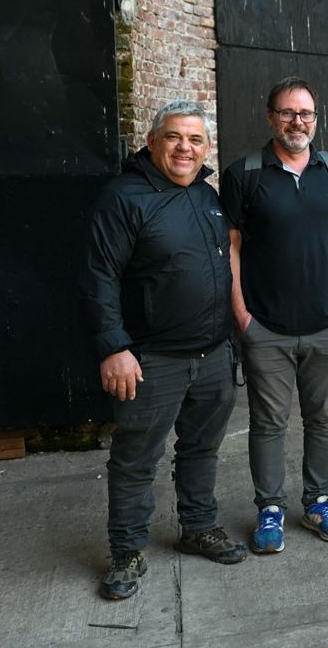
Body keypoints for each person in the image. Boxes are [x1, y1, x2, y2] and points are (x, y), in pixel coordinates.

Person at [79, 100, 246, 600]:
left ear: (206, 148)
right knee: (135, 460)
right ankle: (127, 552)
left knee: (202, 449)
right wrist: (114, 347)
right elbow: (98, 276)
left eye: (195, 140)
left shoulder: (207, 195)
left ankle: (197, 526)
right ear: (152, 142)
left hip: (213, 354)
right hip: (150, 359)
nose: (184, 148)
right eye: (174, 137)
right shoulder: (123, 197)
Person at [220, 77, 328, 554]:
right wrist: (241, 314)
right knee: (268, 422)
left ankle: (319, 500)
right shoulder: (245, 173)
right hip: (267, 326)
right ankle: (270, 509)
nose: (297, 121)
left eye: (305, 114)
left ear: (316, 119)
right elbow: (232, 247)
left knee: (324, 418)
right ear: (270, 117)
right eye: (287, 113)